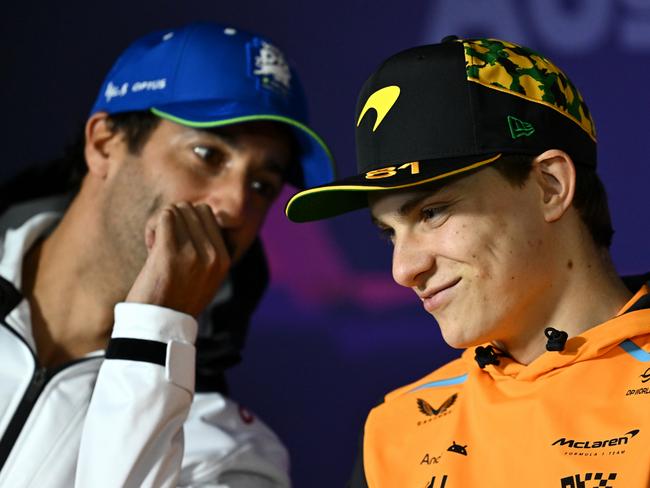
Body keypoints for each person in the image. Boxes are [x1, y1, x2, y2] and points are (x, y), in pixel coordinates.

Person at [286, 37, 650, 486]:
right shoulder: (394, 432)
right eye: (389, 234)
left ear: (550, 187)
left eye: (432, 212)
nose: (403, 270)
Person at [0, 22, 334, 487]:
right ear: (104, 143)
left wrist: (155, 334)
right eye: (208, 154)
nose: (236, 205)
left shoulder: (231, 451)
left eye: (263, 184)